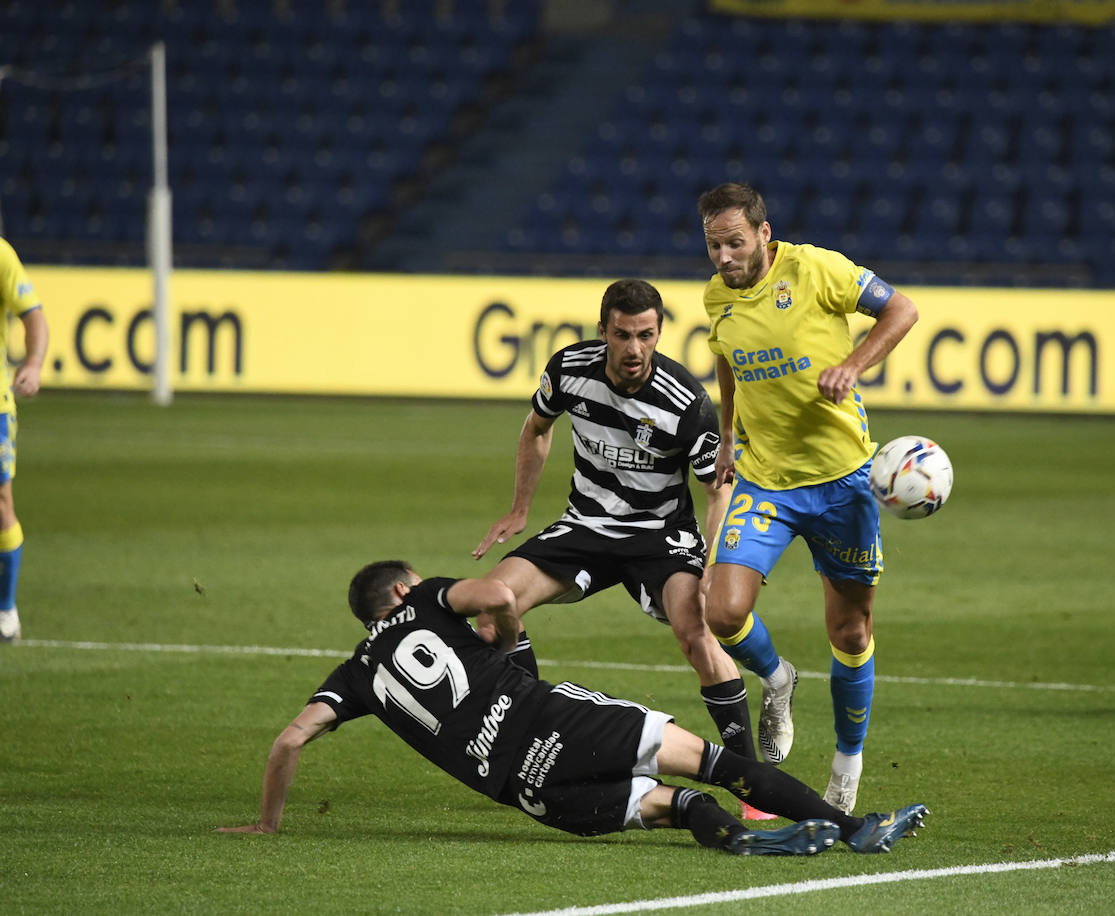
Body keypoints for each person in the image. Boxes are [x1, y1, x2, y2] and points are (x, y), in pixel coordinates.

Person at [215, 560, 929, 855]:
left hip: (524, 789)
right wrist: (511, 642)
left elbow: (289, 741)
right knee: (712, 763)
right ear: (401, 592)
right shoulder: (427, 598)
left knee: (676, 807)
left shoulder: (354, 674)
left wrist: (267, 823)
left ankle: (743, 841)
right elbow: (498, 595)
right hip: (553, 720)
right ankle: (852, 828)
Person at [470, 278, 768, 815]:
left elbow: (716, 489)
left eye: (646, 335)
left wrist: (714, 560)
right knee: (491, 609)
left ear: (659, 333)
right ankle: (529, 744)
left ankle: (753, 786)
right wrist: (519, 508)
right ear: (603, 330)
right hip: (586, 525)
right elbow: (537, 428)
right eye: (623, 335)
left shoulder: (686, 402)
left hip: (660, 536)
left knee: (696, 633)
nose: (634, 348)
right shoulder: (569, 369)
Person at [695, 183, 919, 814]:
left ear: (764, 233)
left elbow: (902, 310)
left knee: (850, 629)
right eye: (713, 245)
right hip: (766, 480)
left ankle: (846, 767)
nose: (724, 257)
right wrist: (727, 436)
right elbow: (727, 360)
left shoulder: (816, 269)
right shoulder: (717, 297)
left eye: (735, 242)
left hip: (843, 480)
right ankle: (777, 677)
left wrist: (853, 365)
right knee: (723, 611)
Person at [0, 238, 48, 644]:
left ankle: (6, 611)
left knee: (1, 504)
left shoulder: (1, 255)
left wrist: (33, 363)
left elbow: (34, 315)